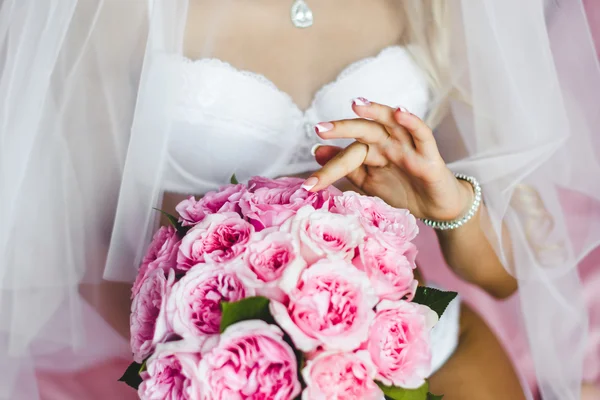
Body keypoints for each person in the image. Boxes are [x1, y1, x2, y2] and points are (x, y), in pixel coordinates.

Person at [1, 1, 600, 399]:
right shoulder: (119, 14)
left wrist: (451, 209)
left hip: (432, 354)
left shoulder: (436, 8)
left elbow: (503, 282)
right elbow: (84, 248)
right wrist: (242, 354)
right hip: (230, 377)